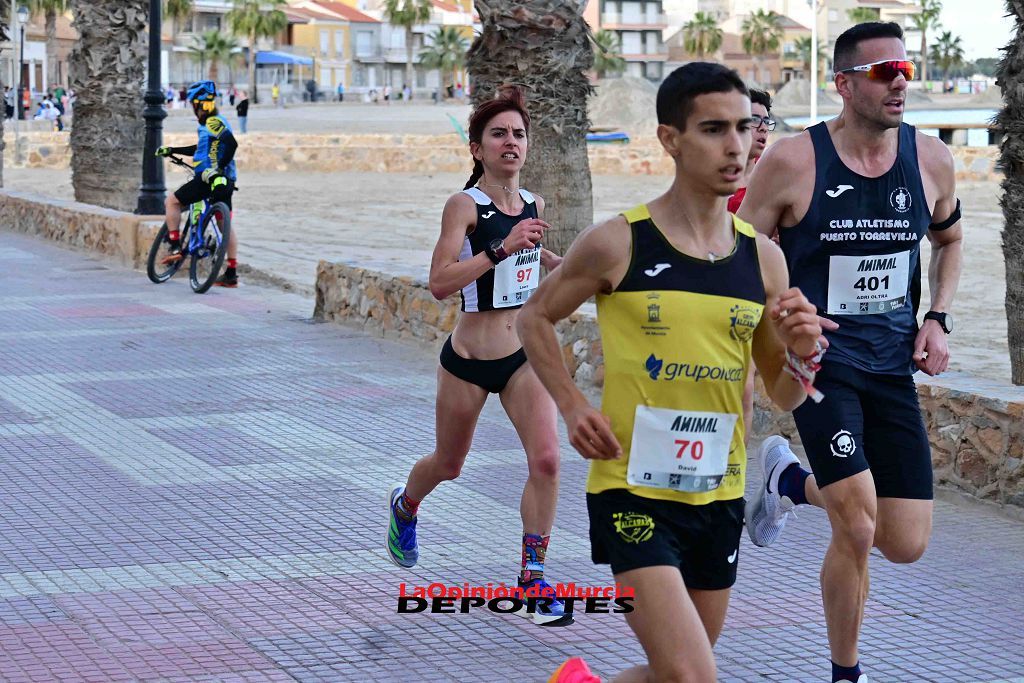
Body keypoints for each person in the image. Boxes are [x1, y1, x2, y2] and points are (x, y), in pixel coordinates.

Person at [518, 62, 823, 682]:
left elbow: (784, 393)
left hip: (719, 491)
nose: (736, 145)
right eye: (714, 129)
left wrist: (802, 351)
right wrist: (574, 406)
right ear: (670, 139)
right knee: (694, 676)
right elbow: (533, 319)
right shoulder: (619, 242)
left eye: (746, 127)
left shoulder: (763, 260)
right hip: (631, 490)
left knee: (675, 673)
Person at [738, 22, 963, 683]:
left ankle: (787, 482)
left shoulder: (932, 160)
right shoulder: (793, 161)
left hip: (892, 366)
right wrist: (778, 331)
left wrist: (939, 318)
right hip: (819, 369)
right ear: (842, 84)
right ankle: (847, 672)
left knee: (905, 541)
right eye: (881, 71)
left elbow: (949, 240)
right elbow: (741, 249)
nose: (898, 81)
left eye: (905, 70)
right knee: (858, 525)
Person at [385, 86, 574, 628]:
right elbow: (439, 282)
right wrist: (499, 249)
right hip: (468, 357)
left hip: (523, 357)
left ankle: (533, 579)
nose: (510, 142)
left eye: (518, 134)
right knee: (449, 464)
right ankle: (405, 504)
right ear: (477, 148)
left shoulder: (535, 204)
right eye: (498, 134)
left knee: (547, 461)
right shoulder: (464, 206)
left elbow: (541, 260)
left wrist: (588, 268)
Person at [155, 80, 242, 288]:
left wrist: (217, 168)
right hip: (226, 181)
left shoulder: (213, 122)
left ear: (200, 104)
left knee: (173, 202)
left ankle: (175, 246)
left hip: (208, 178)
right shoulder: (211, 124)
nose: (194, 109)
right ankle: (231, 273)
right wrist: (173, 150)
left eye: (194, 104)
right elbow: (200, 149)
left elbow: (231, 143)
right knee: (223, 223)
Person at [730, 88, 775, 446]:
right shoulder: (716, 181)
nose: (762, 129)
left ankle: (736, 476)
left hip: (763, 299)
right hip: (721, 296)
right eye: (754, 120)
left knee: (744, 390)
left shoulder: (776, 181)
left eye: (766, 122)